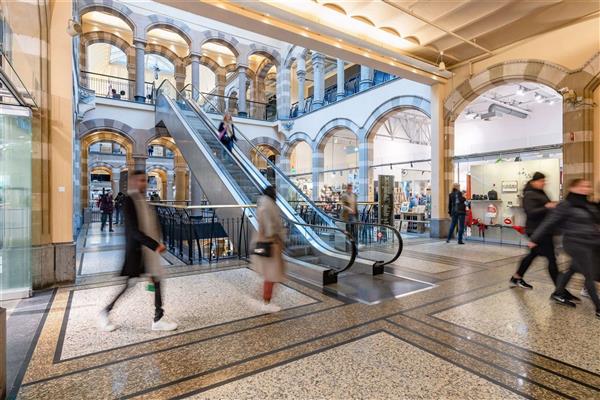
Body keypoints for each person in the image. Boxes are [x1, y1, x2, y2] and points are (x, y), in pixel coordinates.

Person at [98, 170, 177, 331]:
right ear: (133, 182)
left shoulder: (143, 200)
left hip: (147, 253)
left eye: (145, 180)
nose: (143, 183)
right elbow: (134, 231)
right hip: (137, 252)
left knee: (156, 281)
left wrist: (158, 241)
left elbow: (151, 224)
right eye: (140, 180)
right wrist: (155, 245)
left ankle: (158, 318)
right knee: (129, 285)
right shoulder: (129, 201)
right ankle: (105, 312)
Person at [529, 179, 600, 318]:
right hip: (574, 243)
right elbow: (548, 222)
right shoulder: (566, 205)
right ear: (572, 188)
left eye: (588, 185)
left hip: (588, 243)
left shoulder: (586, 203)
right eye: (582, 186)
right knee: (589, 274)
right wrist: (534, 238)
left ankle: (558, 293)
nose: (586, 188)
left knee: (573, 267)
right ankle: (598, 307)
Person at [509, 172, 559, 290]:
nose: (543, 183)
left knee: (533, 255)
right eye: (541, 181)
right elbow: (531, 212)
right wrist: (547, 207)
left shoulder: (539, 193)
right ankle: (560, 290)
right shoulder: (529, 194)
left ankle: (517, 277)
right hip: (536, 230)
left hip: (542, 229)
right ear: (534, 182)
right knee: (551, 258)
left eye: (544, 181)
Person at [250, 186, 285, 313]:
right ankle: (266, 301)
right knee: (271, 275)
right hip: (270, 244)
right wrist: (276, 238)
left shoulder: (264, 205)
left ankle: (265, 298)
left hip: (269, 244)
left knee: (271, 275)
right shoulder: (267, 207)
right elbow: (269, 227)